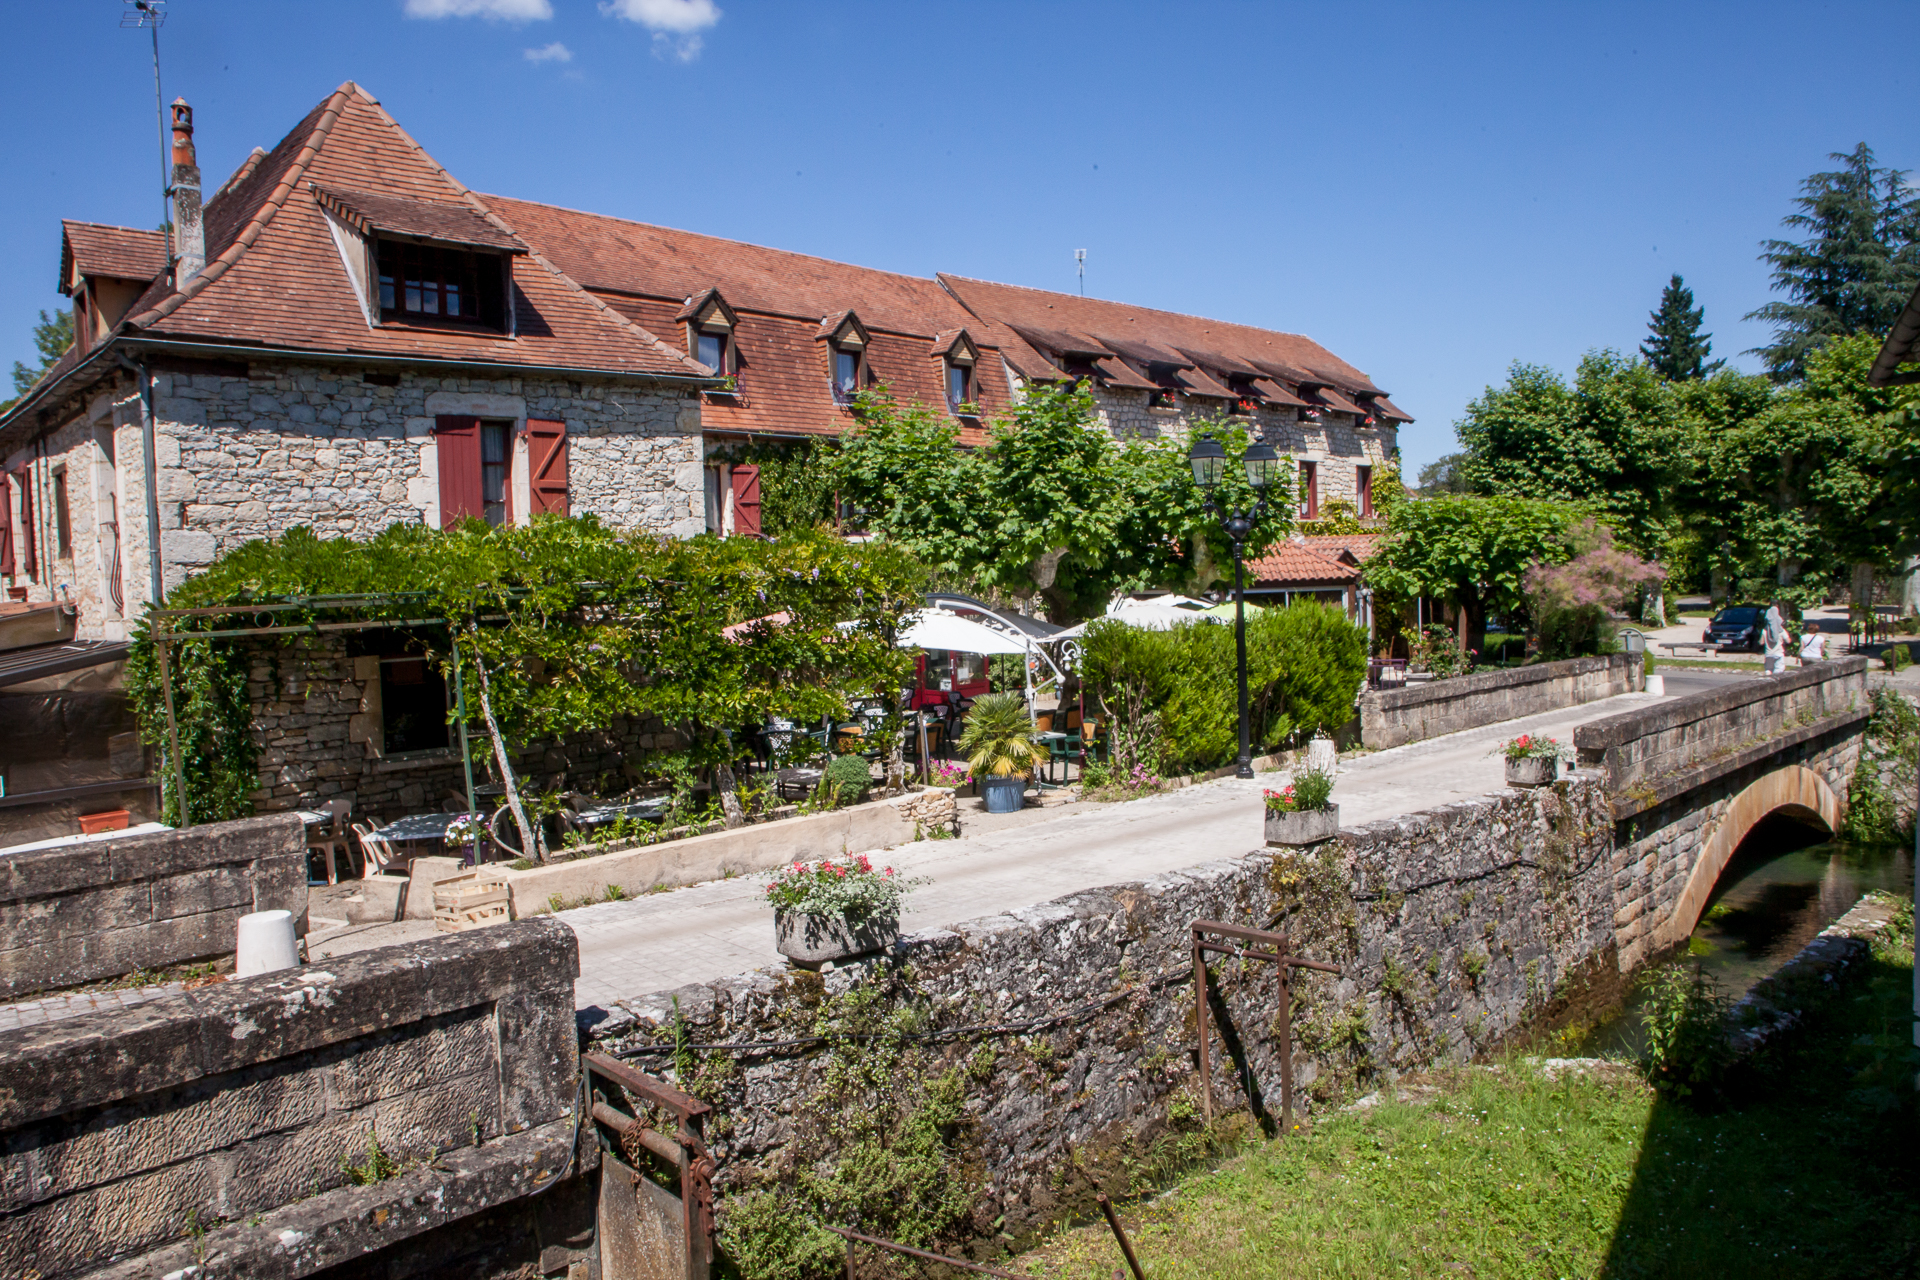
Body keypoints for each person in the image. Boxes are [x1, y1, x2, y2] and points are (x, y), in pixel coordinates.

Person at [1762, 602, 1787, 674]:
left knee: (1768, 669)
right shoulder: (1781, 630)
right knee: (1779, 670)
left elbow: (1761, 642)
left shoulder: (1765, 630)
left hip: (1768, 653)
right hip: (1778, 653)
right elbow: (1788, 640)